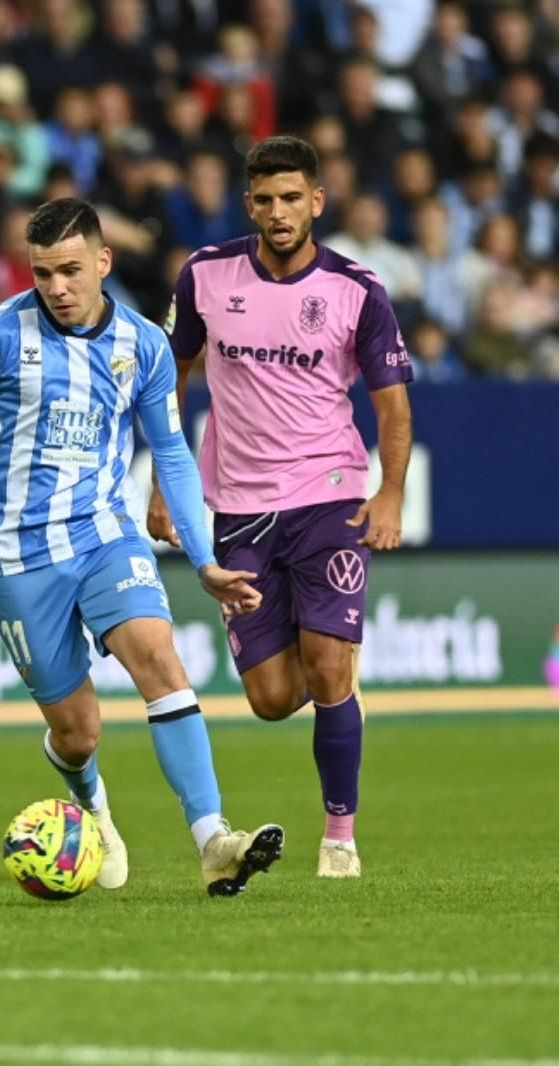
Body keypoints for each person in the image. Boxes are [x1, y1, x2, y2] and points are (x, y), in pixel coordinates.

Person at [0, 198, 284, 897]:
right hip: (15, 555)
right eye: (42, 274)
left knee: (159, 655)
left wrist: (204, 559)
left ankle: (213, 839)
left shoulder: (142, 345)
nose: (57, 287)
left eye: (70, 270)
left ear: (104, 261)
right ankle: (94, 808)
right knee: (78, 732)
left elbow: (172, 452)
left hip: (105, 533)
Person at [148, 136, 414, 880]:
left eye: (292, 197)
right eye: (265, 199)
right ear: (249, 205)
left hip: (328, 495)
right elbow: (170, 379)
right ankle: (329, 654)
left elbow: (392, 406)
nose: (278, 212)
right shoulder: (205, 276)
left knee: (329, 669)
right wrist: (163, 483)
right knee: (269, 698)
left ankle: (340, 836)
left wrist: (388, 492)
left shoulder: (357, 290)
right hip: (236, 508)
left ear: (317, 202)